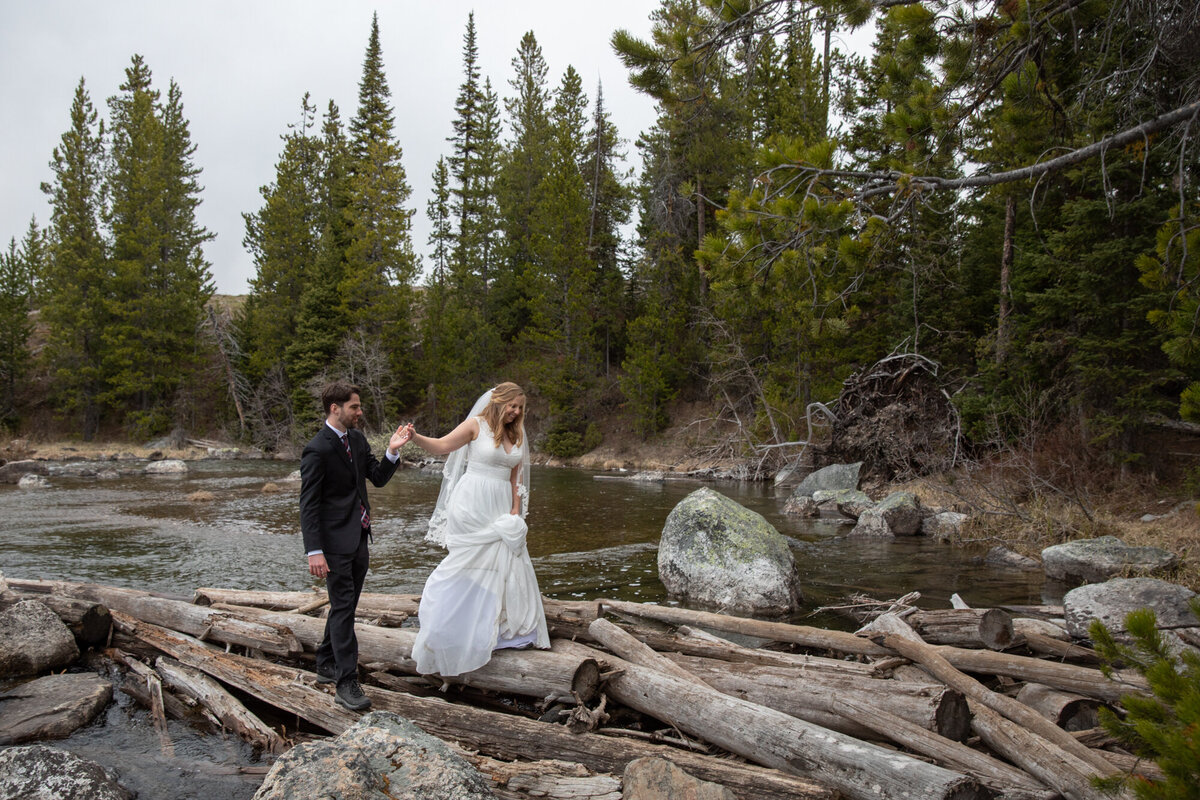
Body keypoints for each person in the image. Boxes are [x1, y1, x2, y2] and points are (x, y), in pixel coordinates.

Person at [404, 382, 550, 677]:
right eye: (512, 406)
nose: (516, 412)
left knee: (503, 564)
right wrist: (415, 437)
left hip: (499, 505)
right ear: (499, 402)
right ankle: (449, 626)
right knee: (467, 563)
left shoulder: (517, 434)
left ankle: (498, 631)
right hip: (471, 503)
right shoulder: (475, 426)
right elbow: (443, 445)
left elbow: (514, 479)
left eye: (520, 408)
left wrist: (515, 512)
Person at [300, 381, 411, 711]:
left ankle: (325, 662)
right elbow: (308, 505)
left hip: (360, 536)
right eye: (354, 407)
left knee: (343, 605)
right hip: (333, 544)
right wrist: (314, 551)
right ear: (335, 409)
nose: (360, 412)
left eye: (360, 407)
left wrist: (392, 451)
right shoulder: (316, 449)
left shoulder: (358, 439)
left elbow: (376, 477)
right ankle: (346, 682)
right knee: (345, 607)